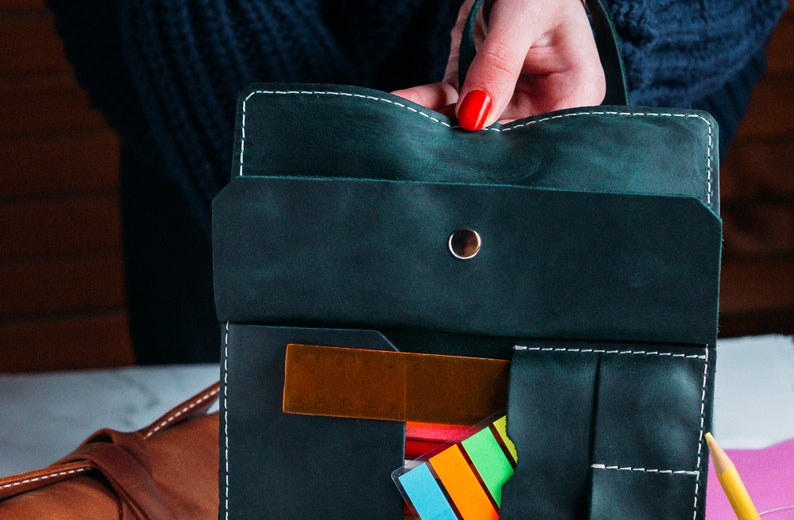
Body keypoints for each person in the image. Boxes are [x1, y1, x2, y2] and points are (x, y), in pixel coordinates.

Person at [47, 0, 785, 363]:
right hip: (209, 150)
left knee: (595, 517)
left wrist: (610, 22)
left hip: (597, 164)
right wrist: (287, 150)